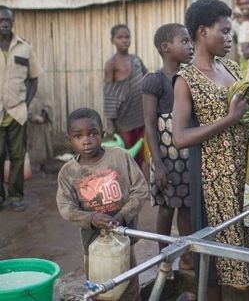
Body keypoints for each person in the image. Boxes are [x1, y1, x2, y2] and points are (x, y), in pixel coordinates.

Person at [172, 0, 249, 299]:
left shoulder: (230, 67)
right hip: (214, 180)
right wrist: (228, 120)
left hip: (244, 175)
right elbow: (180, 137)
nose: (230, 38)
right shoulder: (186, 79)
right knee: (216, 260)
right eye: (224, 31)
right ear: (202, 32)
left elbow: (245, 113)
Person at [56, 108, 148, 301]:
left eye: (92, 134)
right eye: (78, 136)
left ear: (102, 134)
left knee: (129, 283)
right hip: (92, 243)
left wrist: (122, 216)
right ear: (69, 139)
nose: (87, 140)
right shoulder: (69, 172)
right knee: (99, 289)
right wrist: (91, 218)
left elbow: (140, 189)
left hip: (124, 236)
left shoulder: (119, 157)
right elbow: (66, 207)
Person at [142, 23, 194, 270]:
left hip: (188, 156)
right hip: (166, 156)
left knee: (186, 207)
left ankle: (186, 258)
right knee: (166, 209)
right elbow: (150, 125)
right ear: (165, 48)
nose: (190, 45)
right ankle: (163, 258)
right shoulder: (154, 81)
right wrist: (159, 165)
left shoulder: (191, 77)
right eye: (184, 41)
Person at [0, 5, 42, 211]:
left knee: (17, 156)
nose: (5, 24)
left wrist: (25, 103)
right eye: (1, 21)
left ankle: (16, 196)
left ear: (13, 22)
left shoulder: (25, 47)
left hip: (17, 111)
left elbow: (34, 79)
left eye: (8, 21)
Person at [103, 24, 148, 168]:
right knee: (126, 154)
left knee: (141, 153)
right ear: (112, 41)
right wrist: (110, 122)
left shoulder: (136, 60)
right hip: (124, 117)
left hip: (141, 114)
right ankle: (127, 185)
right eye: (120, 37)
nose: (124, 40)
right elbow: (109, 93)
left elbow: (147, 79)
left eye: (127, 37)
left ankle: (139, 184)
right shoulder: (111, 64)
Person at [231, 0, 249, 75]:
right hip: (244, 63)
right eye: (241, 4)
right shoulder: (234, 23)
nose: (244, 6)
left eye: (247, 3)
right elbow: (236, 44)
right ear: (237, 4)